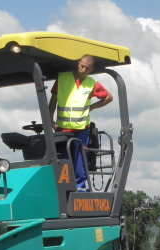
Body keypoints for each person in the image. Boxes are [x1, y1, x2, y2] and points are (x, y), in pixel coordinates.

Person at [48, 55, 114, 191]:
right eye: (82, 66)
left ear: (92, 69)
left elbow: (108, 97)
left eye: (87, 68)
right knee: (62, 160)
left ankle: (80, 188)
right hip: (62, 128)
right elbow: (53, 101)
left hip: (82, 128)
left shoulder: (92, 83)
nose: (83, 69)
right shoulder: (63, 78)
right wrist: (50, 120)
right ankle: (62, 188)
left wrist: (92, 107)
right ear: (78, 63)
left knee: (80, 159)